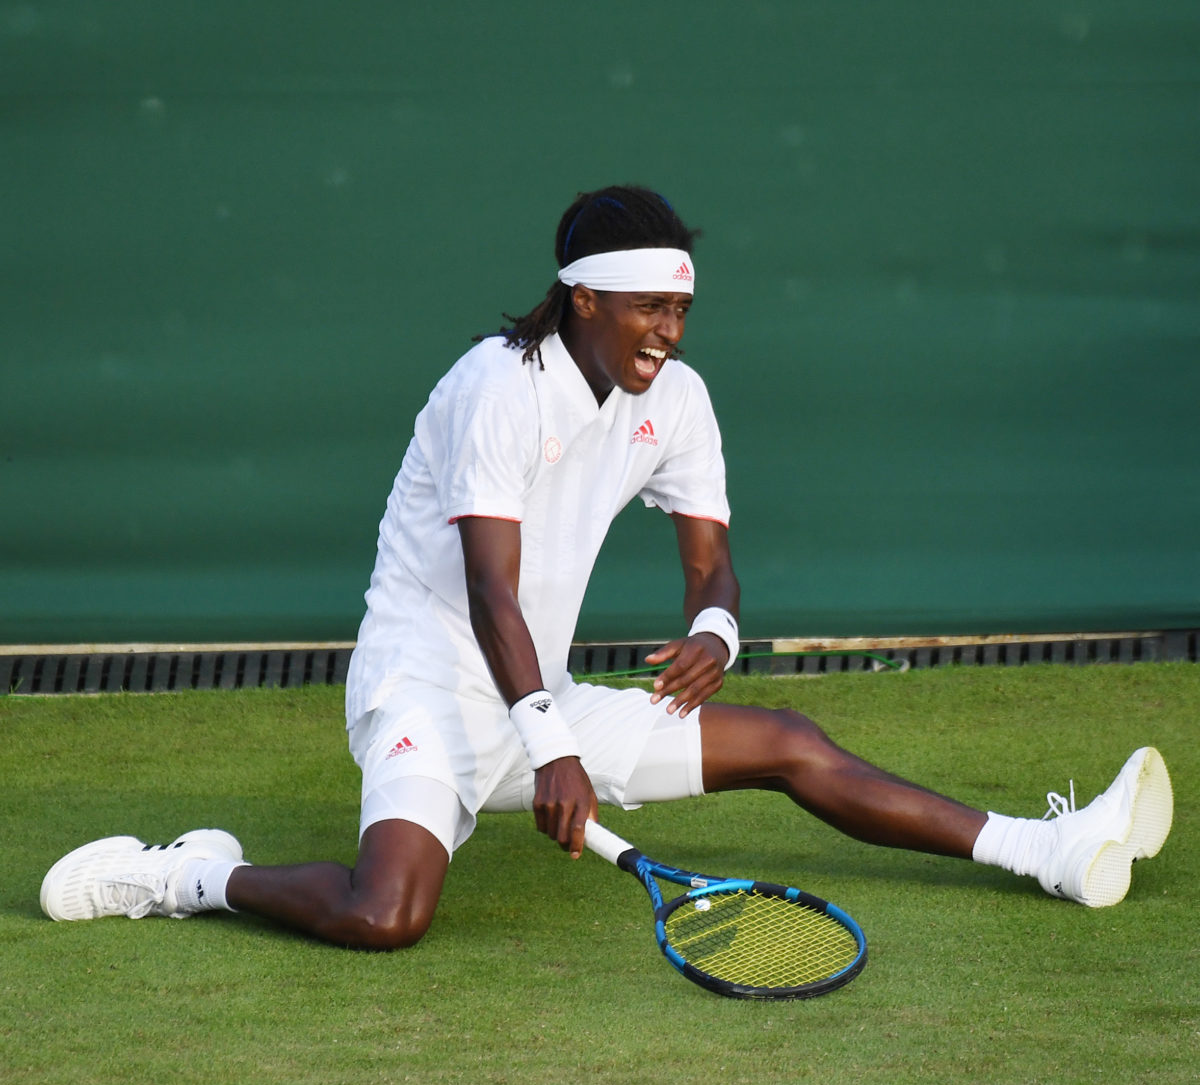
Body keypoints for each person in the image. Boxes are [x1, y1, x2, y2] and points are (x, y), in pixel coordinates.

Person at [40, 185, 1174, 946]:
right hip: (424, 689)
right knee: (388, 915)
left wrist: (716, 630)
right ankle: (190, 876)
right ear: (584, 297)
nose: (667, 331)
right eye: (647, 308)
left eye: (680, 309)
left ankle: (1047, 847)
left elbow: (711, 563)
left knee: (788, 740)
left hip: (540, 696)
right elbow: (489, 590)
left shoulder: (675, 400)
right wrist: (554, 749)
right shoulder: (496, 387)